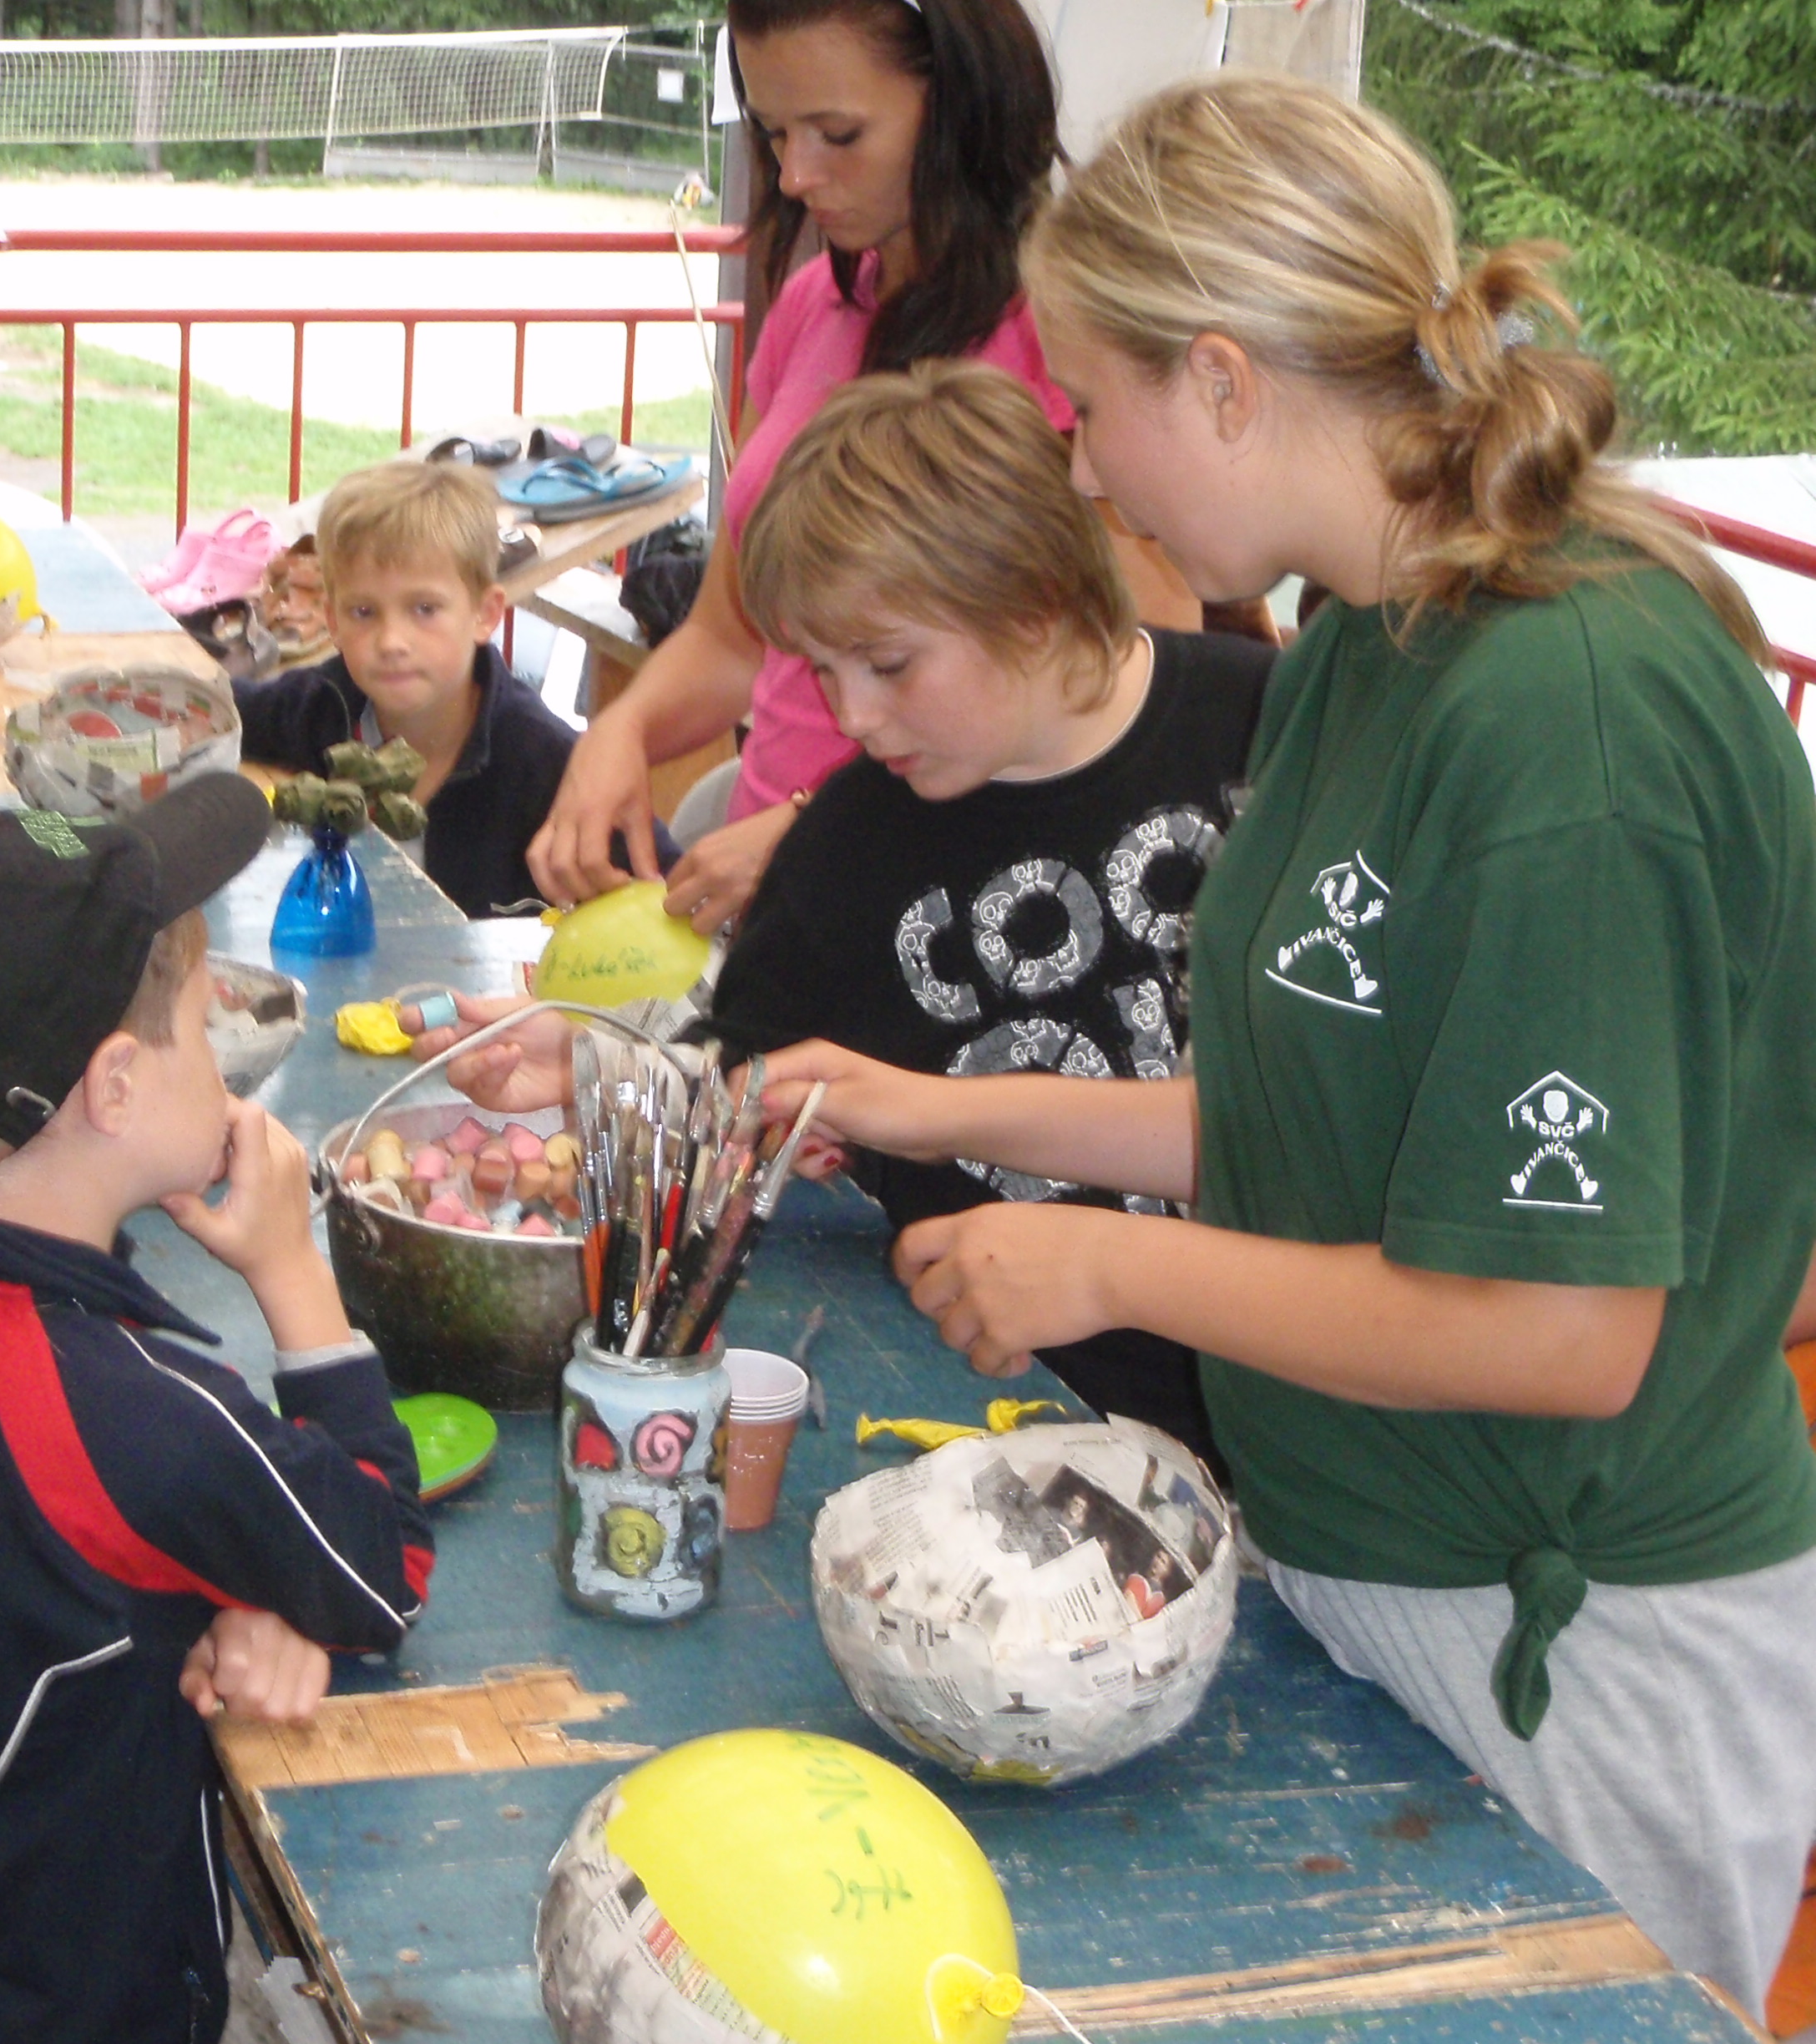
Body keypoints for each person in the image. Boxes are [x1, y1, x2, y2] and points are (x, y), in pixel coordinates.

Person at [758, 73, 1816, 2017]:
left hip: (1566, 1639)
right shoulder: (1358, 644)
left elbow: (1563, 1328)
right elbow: (1323, 1112)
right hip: (1351, 1558)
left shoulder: (1567, 719)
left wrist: (1102, 1265)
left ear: (1226, 384)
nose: (1088, 475)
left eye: (1094, 408)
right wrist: (946, 1106)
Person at [416, 362, 1270, 1463]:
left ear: (1036, 599)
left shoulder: (1267, 731)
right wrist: (601, 1065)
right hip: (987, 1418)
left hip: (1272, 1425)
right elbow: (746, 1073)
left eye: (890, 664)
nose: (852, 716)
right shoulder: (849, 838)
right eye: (821, 670)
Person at [0, 780, 431, 2044]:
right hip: (65, 2003)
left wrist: (229, 1584)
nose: (222, 1036)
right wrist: (293, 1274)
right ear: (116, 1085)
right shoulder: (139, 1424)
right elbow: (382, 1565)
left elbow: (53, 1552)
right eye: (202, 1018)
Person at [531, 0, 1141, 935]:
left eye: (839, 134)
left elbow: (1117, 700)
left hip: (958, 910)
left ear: (963, 103)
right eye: (775, 133)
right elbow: (735, 634)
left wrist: (816, 825)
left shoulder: (1072, 346)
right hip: (784, 904)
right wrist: (623, 729)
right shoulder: (814, 304)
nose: (795, 175)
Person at [233, 460, 671, 916]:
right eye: (363, 612)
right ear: (333, 620)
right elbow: (223, 714)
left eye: (424, 609)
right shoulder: (322, 703)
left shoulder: (543, 759)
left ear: (485, 613)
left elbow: (669, 883)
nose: (391, 642)